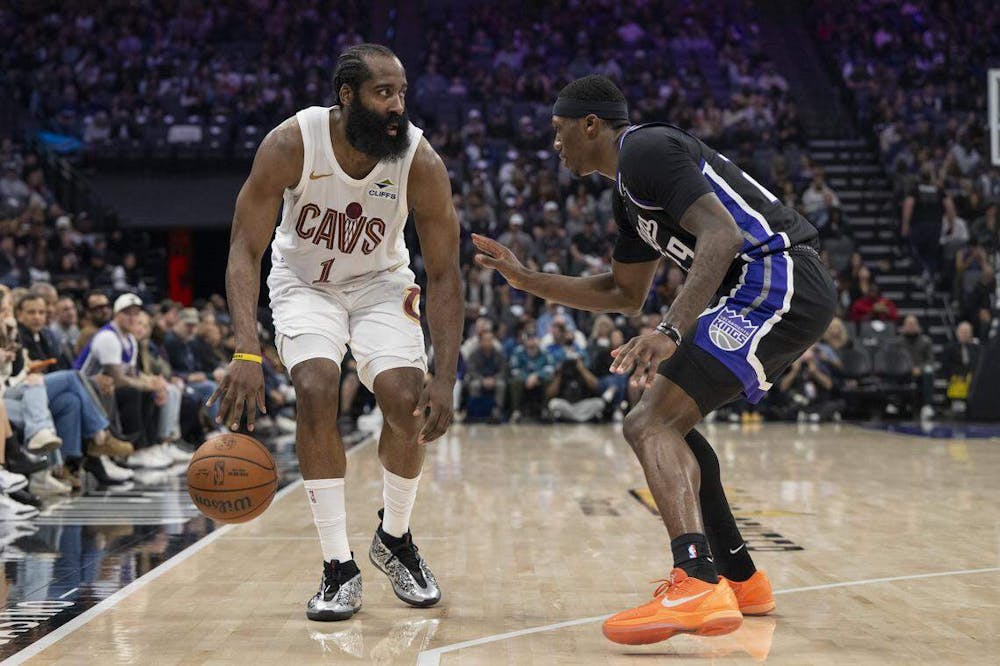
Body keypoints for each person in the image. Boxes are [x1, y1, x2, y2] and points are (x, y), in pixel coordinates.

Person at [473, 75, 837, 645]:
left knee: (649, 422)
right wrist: (525, 279)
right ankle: (741, 580)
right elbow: (623, 293)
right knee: (670, 421)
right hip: (763, 287)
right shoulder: (628, 194)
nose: (555, 144)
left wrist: (670, 329)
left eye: (558, 130)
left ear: (590, 124)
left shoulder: (644, 149)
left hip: (777, 276)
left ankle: (694, 579)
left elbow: (720, 237)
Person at [209, 44, 461, 623]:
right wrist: (246, 347)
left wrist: (445, 373)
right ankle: (337, 565)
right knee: (318, 387)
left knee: (406, 403)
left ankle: (394, 539)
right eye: (383, 93)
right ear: (346, 95)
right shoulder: (291, 143)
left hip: (380, 282)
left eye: (402, 92)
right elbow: (244, 250)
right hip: (304, 285)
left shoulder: (419, 160)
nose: (398, 105)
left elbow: (445, 272)